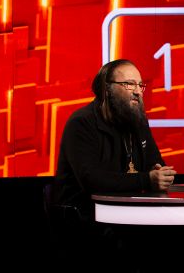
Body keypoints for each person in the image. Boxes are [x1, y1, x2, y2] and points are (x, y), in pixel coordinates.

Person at [53, 59, 176, 217]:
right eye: (129, 84)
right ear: (107, 89)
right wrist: (147, 180)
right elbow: (92, 180)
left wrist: (161, 175)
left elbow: (156, 163)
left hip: (128, 211)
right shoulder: (81, 123)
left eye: (140, 85)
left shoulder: (138, 120)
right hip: (85, 216)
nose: (138, 91)